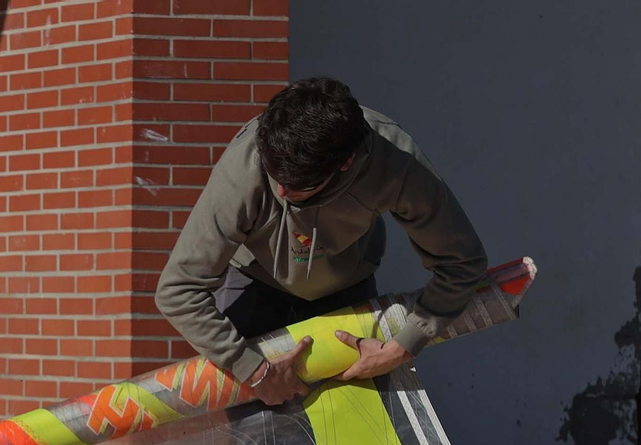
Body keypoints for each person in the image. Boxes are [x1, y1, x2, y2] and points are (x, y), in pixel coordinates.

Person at [155, 77, 489, 406]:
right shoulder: (245, 166)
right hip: (254, 285)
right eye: (274, 176)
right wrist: (253, 371)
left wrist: (403, 345)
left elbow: (462, 262)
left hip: (346, 292)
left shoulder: (395, 161)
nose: (281, 192)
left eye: (297, 185)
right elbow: (177, 291)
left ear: (345, 164)